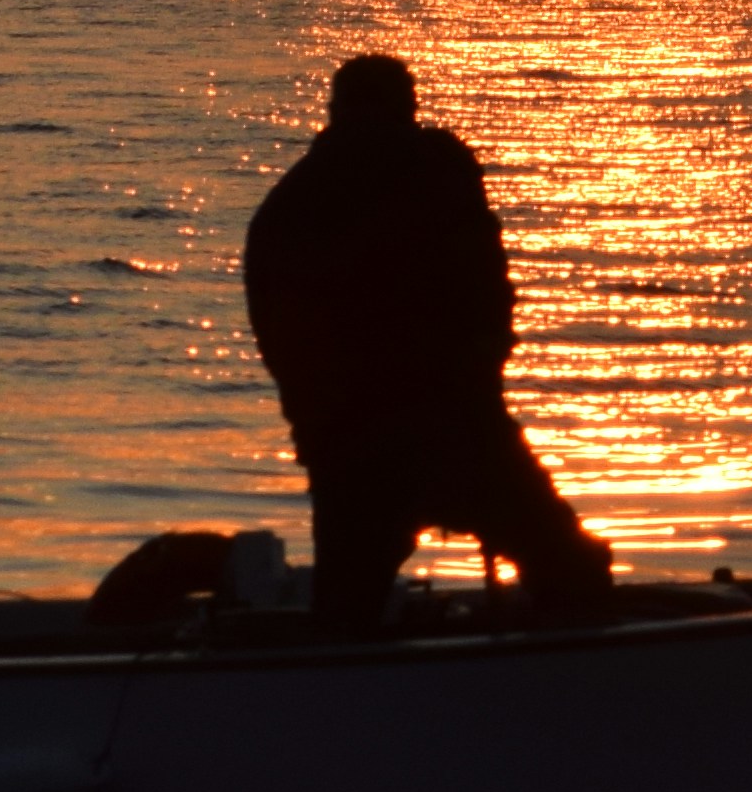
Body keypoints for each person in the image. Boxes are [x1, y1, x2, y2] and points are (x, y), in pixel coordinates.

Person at [244, 53, 614, 634]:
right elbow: (485, 289)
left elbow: (276, 332)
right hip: (431, 433)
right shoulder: (430, 170)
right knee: (572, 572)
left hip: (375, 439)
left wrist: (315, 424)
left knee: (347, 614)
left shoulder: (294, 206)